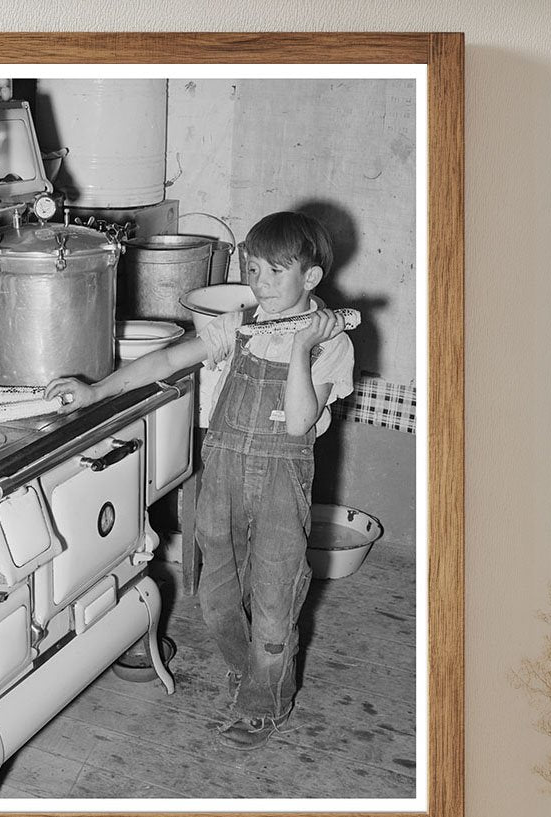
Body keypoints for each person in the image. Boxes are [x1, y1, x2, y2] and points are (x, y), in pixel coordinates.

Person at [44, 211, 355, 749]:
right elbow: (167, 359)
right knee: (216, 595)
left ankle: (267, 701)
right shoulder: (240, 326)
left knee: (276, 600)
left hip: (282, 482)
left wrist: (303, 348)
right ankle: (251, 668)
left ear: (310, 279)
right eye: (252, 270)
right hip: (225, 477)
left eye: (274, 273)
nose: (259, 284)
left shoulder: (332, 344)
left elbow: (302, 420)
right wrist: (95, 392)